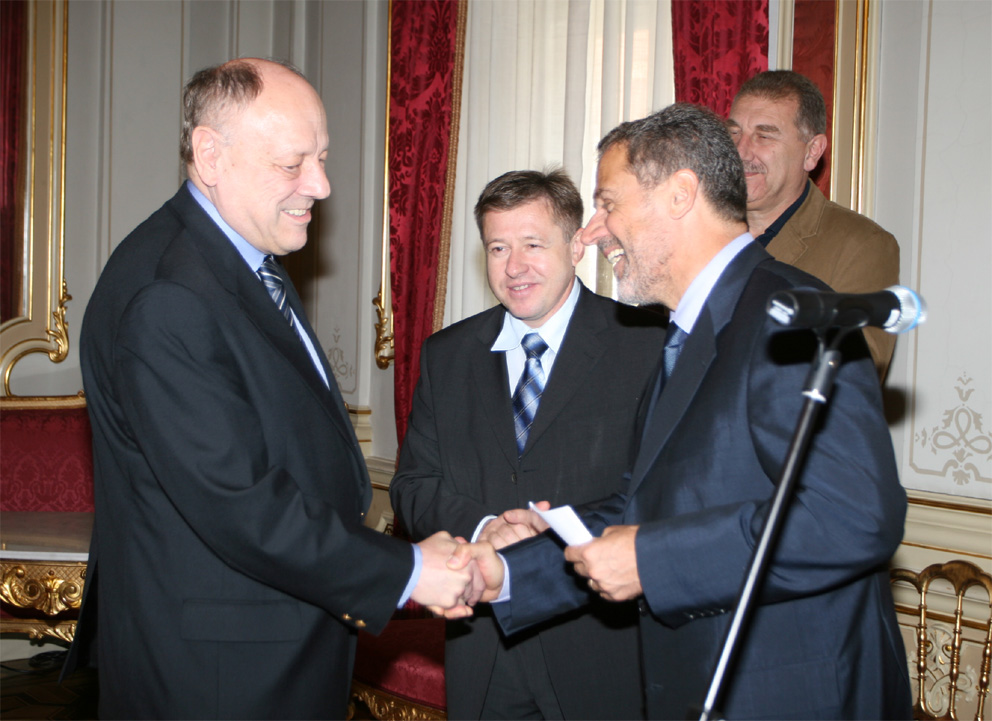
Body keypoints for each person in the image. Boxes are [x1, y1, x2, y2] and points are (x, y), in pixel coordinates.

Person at [452, 104, 912, 720]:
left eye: (608, 204)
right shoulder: (684, 333)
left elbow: (852, 516)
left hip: (790, 696)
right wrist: (510, 572)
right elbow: (645, 509)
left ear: (680, 195)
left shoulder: (788, 319)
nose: (594, 231)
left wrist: (650, 561)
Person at [61, 58, 484, 720]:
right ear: (210, 155)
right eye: (293, 164)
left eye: (322, 158)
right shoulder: (169, 294)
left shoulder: (242, 257)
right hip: (218, 674)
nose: (321, 184)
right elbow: (240, 504)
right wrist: (406, 571)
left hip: (270, 640)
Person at [390, 169, 664, 719]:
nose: (514, 267)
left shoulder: (646, 346)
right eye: (498, 248)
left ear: (576, 245)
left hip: (599, 647)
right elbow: (413, 486)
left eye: (533, 245)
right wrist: (484, 527)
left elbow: (657, 495)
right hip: (484, 646)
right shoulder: (448, 354)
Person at [727, 70, 899, 380]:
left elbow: (854, 378)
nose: (741, 151)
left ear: (812, 152)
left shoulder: (862, 245)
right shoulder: (696, 230)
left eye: (764, 136)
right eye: (734, 132)